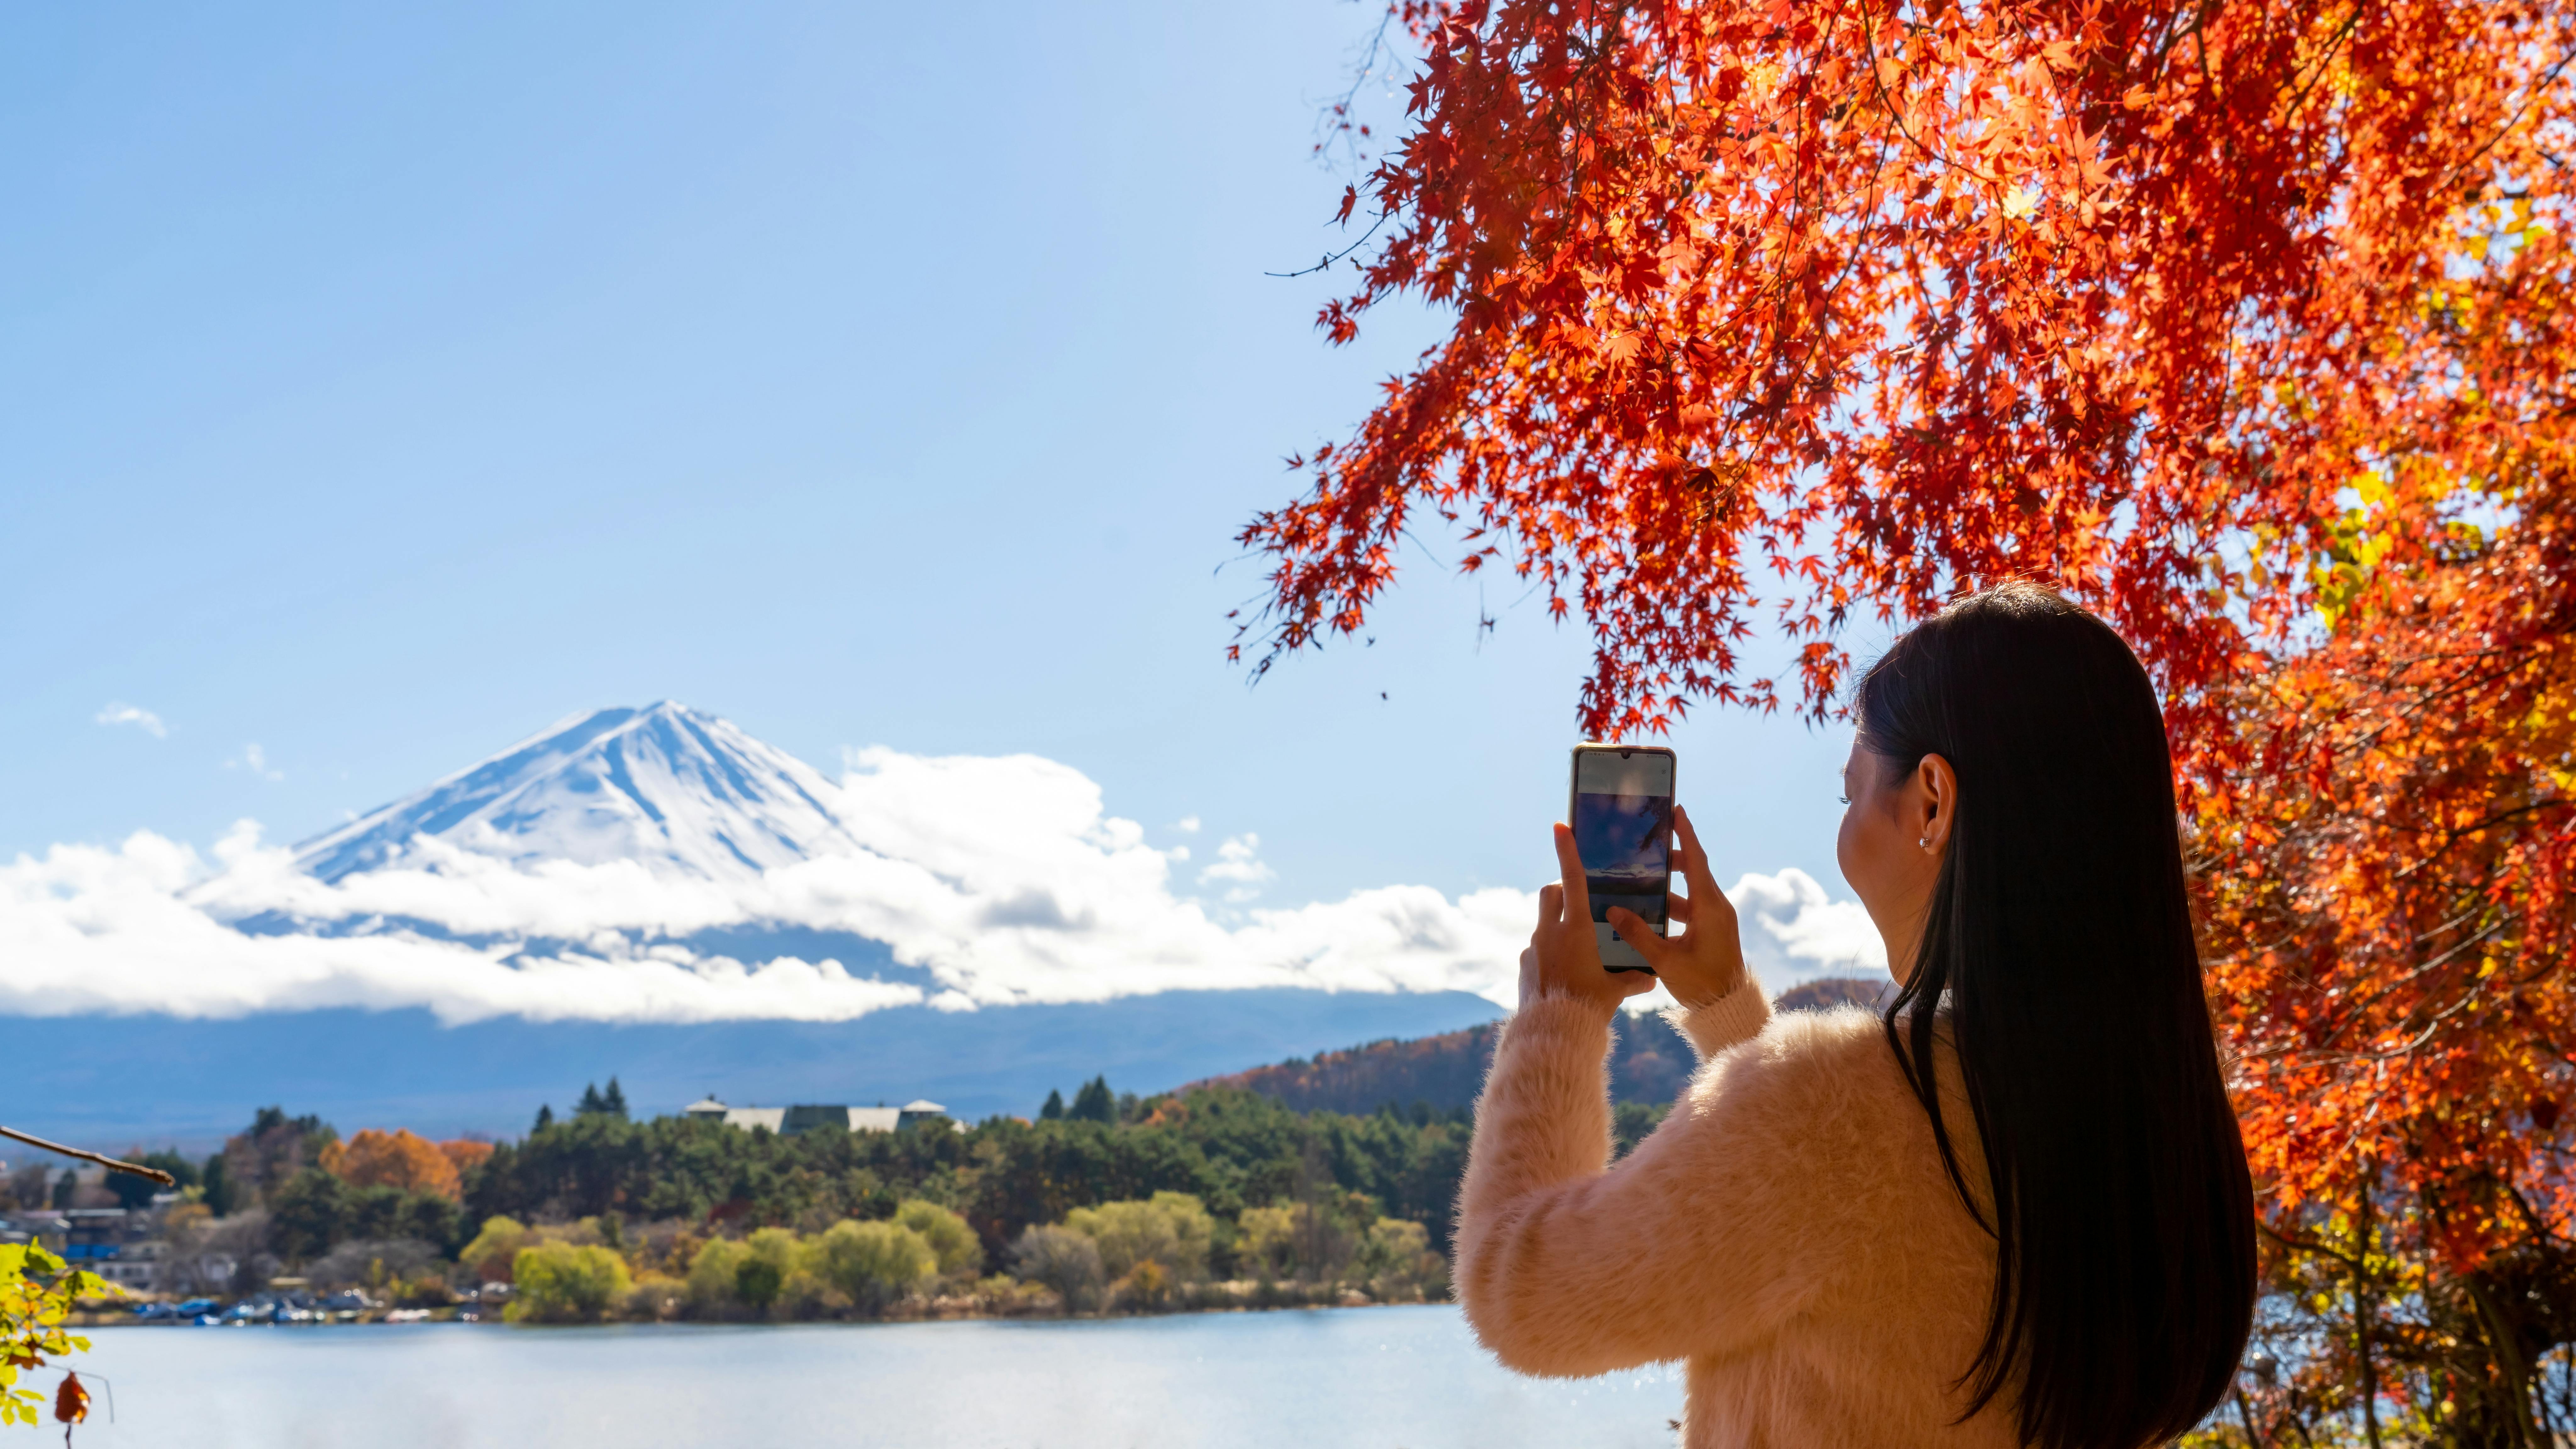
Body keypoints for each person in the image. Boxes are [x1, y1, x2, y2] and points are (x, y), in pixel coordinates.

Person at [1454, 582, 2257, 1447]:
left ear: (1933, 805)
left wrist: (1560, 1014)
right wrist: (1727, 1016)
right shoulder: (2148, 1129)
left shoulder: (1828, 1110)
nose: (1843, 829)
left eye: (1850, 796)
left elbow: (1520, 1295)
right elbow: (1872, 1230)